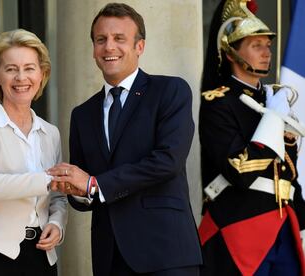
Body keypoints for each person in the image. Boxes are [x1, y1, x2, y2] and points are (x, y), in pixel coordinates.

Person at [48, 3, 202, 275]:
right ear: (94, 48)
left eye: (119, 39)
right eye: (101, 40)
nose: (109, 47)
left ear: (139, 46)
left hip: (165, 253)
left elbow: (168, 161)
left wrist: (94, 185)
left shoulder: (170, 90)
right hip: (110, 257)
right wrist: (77, 190)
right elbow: (84, 190)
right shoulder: (82, 114)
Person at [198, 0, 305, 275]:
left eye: (267, 45)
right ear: (231, 53)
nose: (266, 52)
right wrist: (272, 121)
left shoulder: (273, 99)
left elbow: (287, 171)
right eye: (256, 45)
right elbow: (239, 169)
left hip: (284, 226)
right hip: (239, 226)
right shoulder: (218, 102)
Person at [0, 29, 67, 276]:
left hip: (41, 257)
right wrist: (49, 181)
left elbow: (59, 197)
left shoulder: (51, 133)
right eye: (11, 69)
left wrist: (57, 224)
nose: (21, 77)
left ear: (42, 74)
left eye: (30, 68)